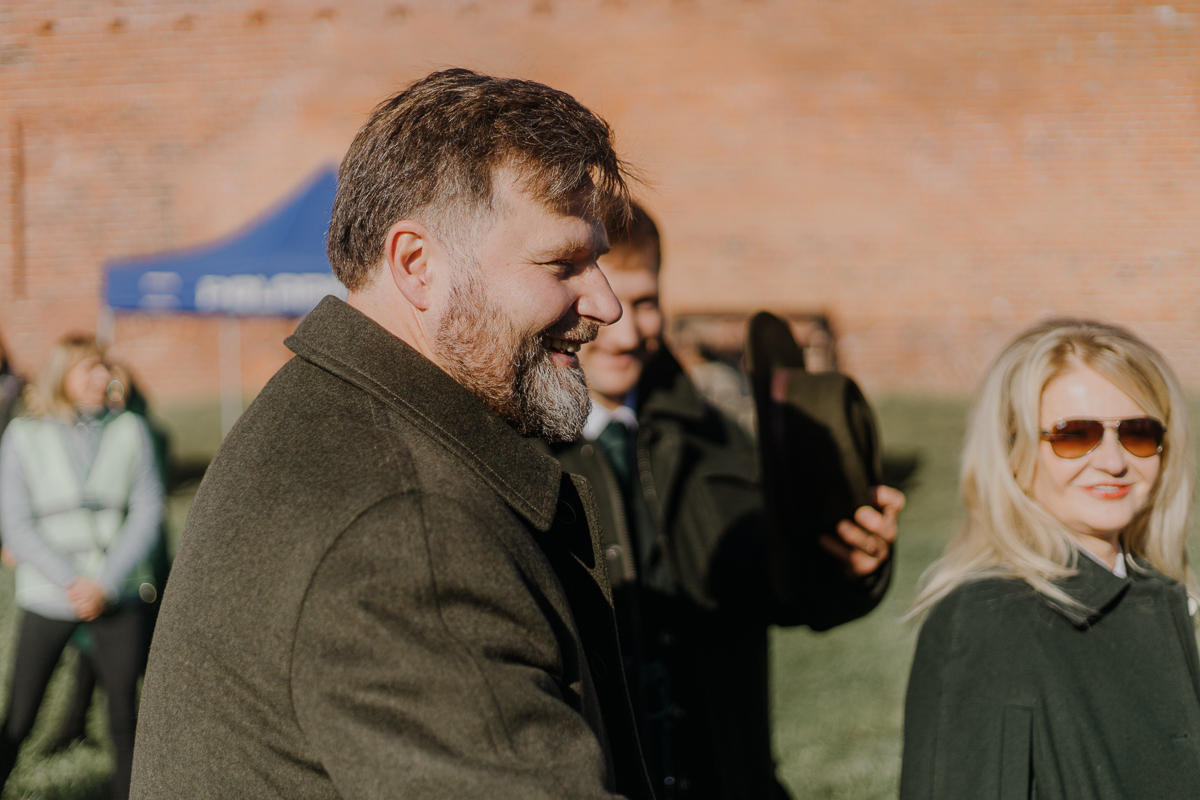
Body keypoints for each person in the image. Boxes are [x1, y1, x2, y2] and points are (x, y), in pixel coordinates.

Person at [131, 69, 653, 799]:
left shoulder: (330, 416)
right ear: (417, 265)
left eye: (596, 261)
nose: (605, 303)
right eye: (562, 263)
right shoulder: (407, 531)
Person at [546, 203, 904, 799]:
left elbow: (782, 585)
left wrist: (848, 565)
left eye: (646, 303)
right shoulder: (521, 456)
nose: (627, 333)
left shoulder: (717, 440)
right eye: (610, 303)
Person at [900, 319, 1200, 799]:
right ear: (1013, 452)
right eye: (1074, 435)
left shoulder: (1160, 598)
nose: (1114, 462)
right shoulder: (986, 618)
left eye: (1138, 433)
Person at [0, 334, 163, 800]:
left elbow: (148, 511)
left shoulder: (132, 429)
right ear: (62, 375)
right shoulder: (23, 435)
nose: (103, 377)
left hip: (119, 593)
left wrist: (104, 583)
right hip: (50, 595)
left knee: (126, 722)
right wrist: (72, 582)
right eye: (90, 368)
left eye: (104, 367)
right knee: (20, 716)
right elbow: (15, 524)